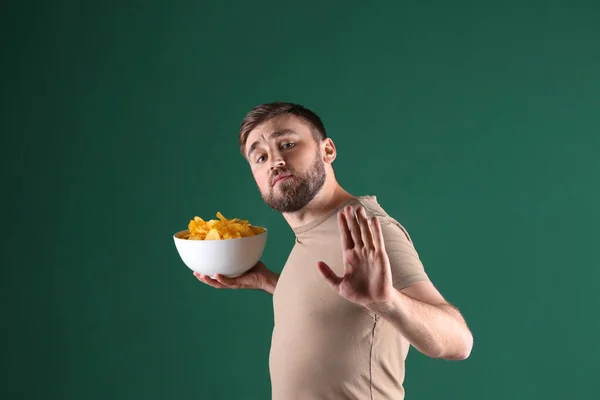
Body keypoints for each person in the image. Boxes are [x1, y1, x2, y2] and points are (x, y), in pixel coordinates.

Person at [194, 102, 473, 399]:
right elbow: (338, 305)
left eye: (287, 144)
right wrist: (268, 282)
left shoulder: (366, 227)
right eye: (260, 157)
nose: (274, 161)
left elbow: (459, 342)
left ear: (327, 150)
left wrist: (387, 300)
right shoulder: (309, 233)